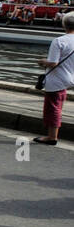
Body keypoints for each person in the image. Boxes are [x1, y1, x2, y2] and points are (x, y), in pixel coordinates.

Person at [35, 11, 74, 145]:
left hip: (56, 78)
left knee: (53, 108)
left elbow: (53, 62)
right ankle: (52, 135)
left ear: (64, 25)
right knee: (58, 105)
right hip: (69, 77)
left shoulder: (59, 41)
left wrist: (41, 61)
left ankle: (52, 137)